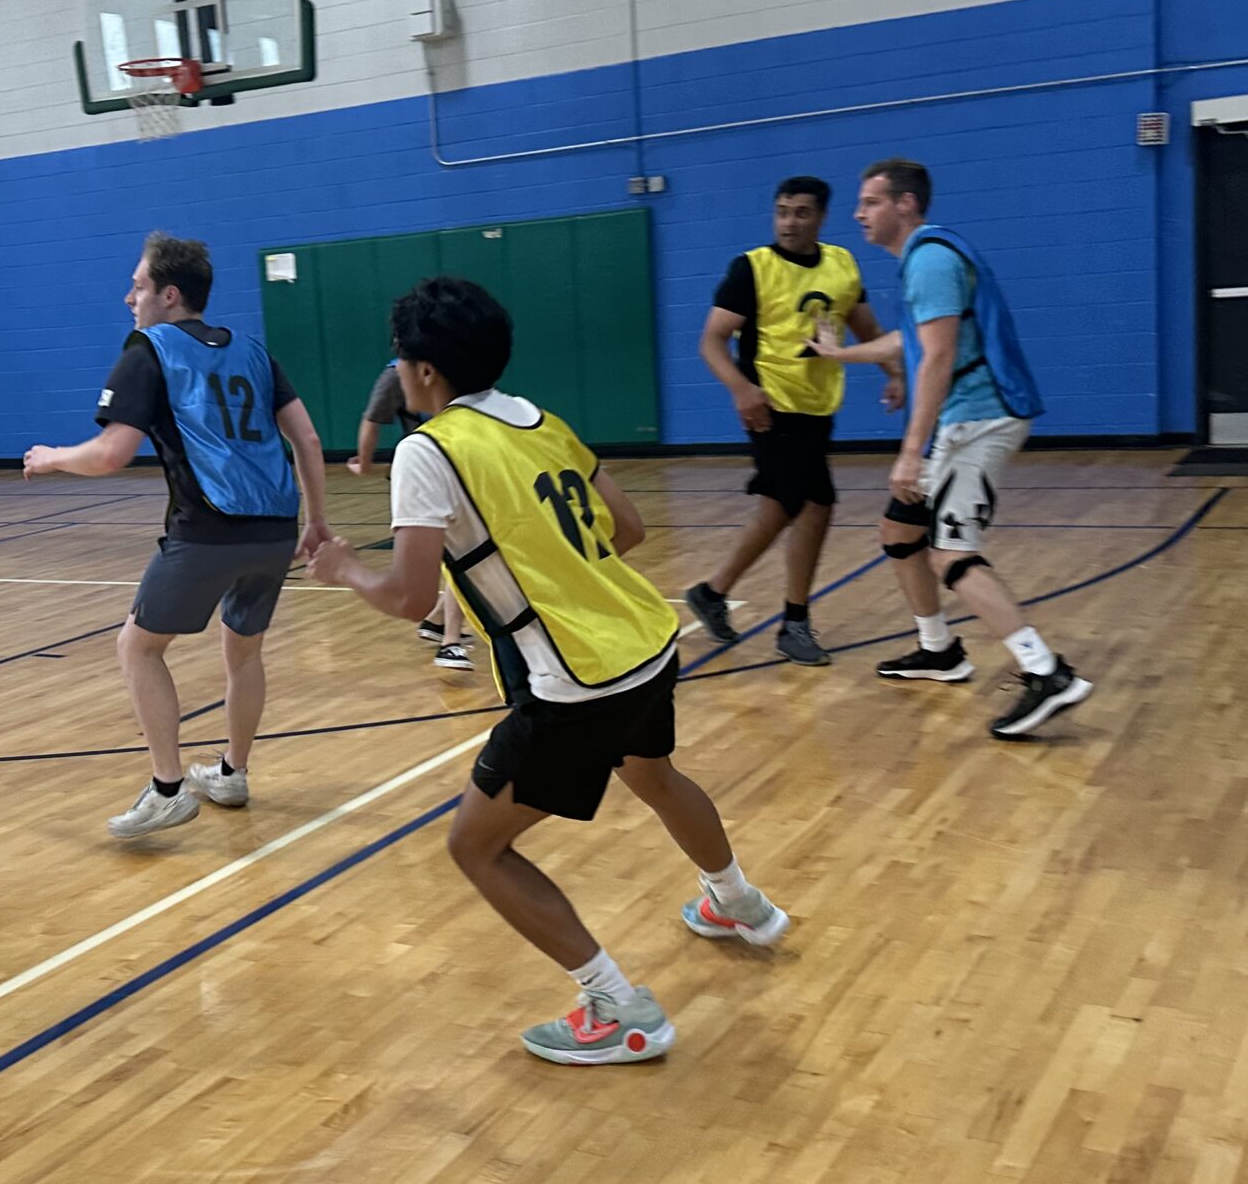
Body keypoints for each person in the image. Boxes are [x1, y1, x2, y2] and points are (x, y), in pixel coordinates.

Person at [308, 277, 787, 1066]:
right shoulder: (538, 418)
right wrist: (568, 578)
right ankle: (739, 904)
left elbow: (409, 595)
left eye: (399, 361)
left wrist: (339, 570)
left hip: (575, 681)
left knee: (477, 847)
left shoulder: (429, 450)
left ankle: (617, 1008)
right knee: (655, 775)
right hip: (644, 642)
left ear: (423, 371)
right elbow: (626, 528)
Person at [24, 233, 332, 838]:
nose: (127, 298)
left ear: (169, 295)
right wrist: (318, 521)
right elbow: (310, 440)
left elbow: (112, 454)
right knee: (243, 651)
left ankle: (168, 789)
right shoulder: (253, 351)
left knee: (138, 648)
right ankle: (232, 773)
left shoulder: (149, 349)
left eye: (137, 286)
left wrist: (54, 457)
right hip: (274, 530)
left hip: (207, 529)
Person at [809, 159, 1092, 739]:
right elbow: (911, 342)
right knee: (900, 532)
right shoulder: (925, 261)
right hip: (964, 421)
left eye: (870, 202)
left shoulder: (932, 260)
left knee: (950, 554)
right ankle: (939, 651)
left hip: (981, 421)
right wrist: (841, 356)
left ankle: (1046, 671)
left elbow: (936, 359)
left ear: (905, 204)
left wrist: (911, 452)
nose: (859, 214)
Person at [685, 175, 900, 665]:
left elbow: (864, 326)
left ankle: (713, 593)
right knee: (815, 503)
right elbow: (711, 341)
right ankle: (794, 622)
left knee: (781, 506)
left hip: (818, 405)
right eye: (782, 211)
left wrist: (893, 373)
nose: (789, 222)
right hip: (769, 406)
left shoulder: (841, 264)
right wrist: (741, 390)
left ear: (821, 217)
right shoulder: (752, 269)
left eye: (801, 213)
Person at [351, 359, 471, 671]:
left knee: (464, 554)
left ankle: (436, 623)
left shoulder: (461, 367)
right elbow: (371, 420)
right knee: (460, 554)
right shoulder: (396, 374)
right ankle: (451, 643)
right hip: (429, 468)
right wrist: (364, 463)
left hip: (460, 460)